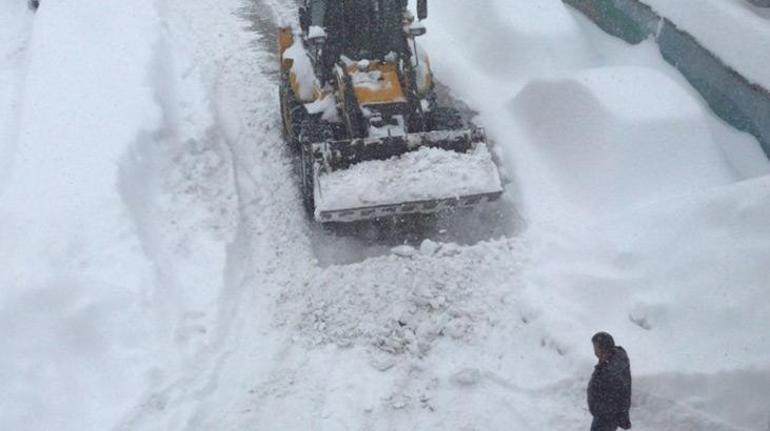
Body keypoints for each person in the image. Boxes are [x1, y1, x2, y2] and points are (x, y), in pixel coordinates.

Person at [587, 332, 632, 430]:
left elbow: (618, 395)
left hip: (606, 417)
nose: (594, 351)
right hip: (603, 415)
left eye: (596, 347)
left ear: (604, 348)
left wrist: (601, 411)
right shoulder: (610, 361)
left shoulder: (612, 369)